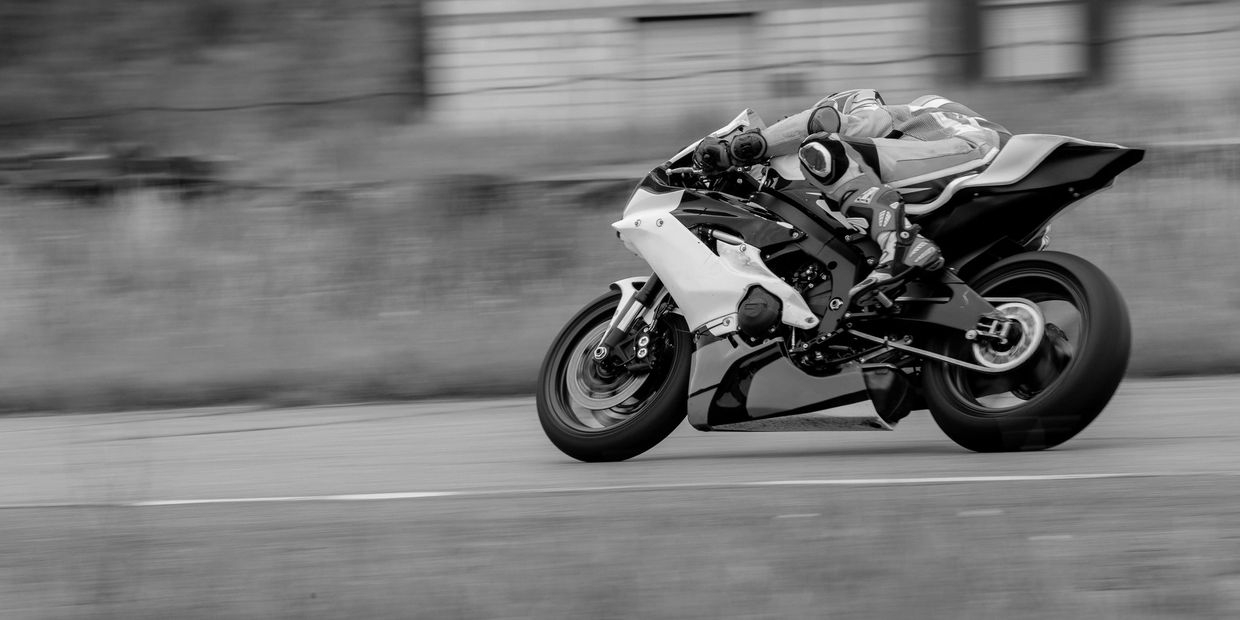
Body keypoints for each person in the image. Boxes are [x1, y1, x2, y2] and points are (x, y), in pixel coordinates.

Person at [693, 89, 1012, 300]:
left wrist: (750, 145)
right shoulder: (925, 121)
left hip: (972, 152)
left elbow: (828, 123)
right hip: (990, 168)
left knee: (820, 147)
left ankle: (898, 241)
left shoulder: (880, 110)